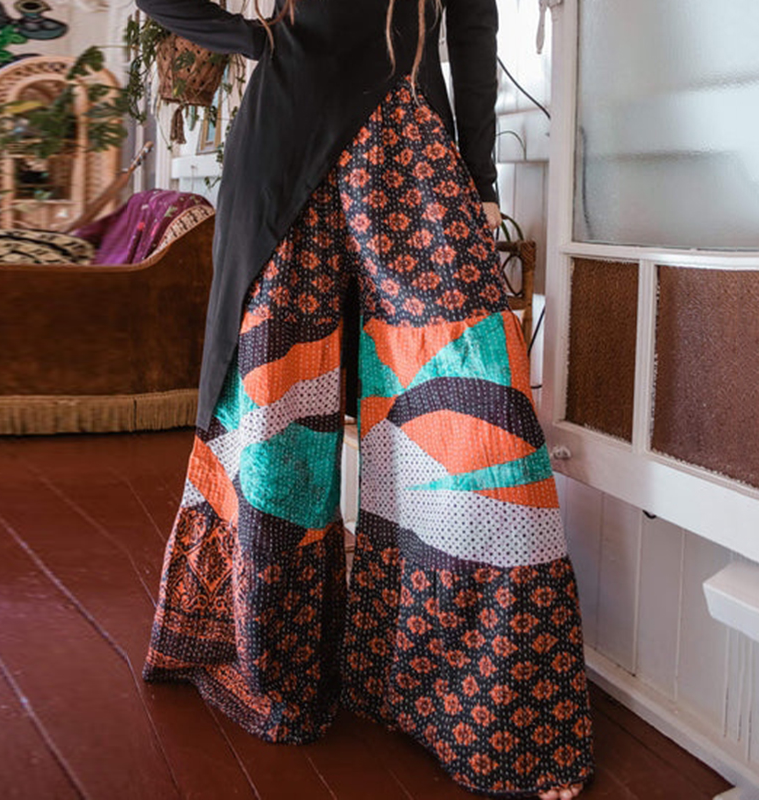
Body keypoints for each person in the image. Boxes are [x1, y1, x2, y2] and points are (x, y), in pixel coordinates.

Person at [136, 0, 594, 797]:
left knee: (475, 403)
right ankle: (274, 668)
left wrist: (480, 175)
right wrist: (252, 38)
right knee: (276, 414)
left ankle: (477, 702)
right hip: (287, 134)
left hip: (415, 141)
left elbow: (473, 24)